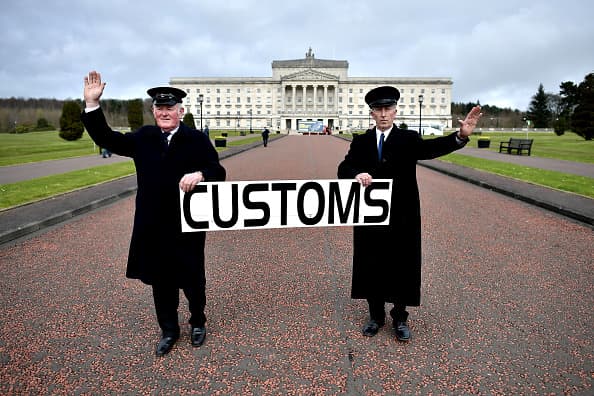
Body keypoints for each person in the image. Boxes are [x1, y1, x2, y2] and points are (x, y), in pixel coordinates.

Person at [81, 71, 226, 357]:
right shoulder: (144, 137)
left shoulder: (196, 139)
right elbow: (107, 138)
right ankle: (169, 330)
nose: (164, 112)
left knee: (193, 278)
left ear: (180, 111)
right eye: (159, 108)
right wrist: (92, 105)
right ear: (153, 111)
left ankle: (198, 322)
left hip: (188, 223)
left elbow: (217, 171)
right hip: (153, 223)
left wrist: (200, 174)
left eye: (169, 108)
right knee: (161, 281)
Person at [337, 86, 481, 342]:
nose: (383, 114)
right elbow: (344, 167)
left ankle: (400, 318)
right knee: (372, 263)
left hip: (402, 214)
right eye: (378, 110)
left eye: (388, 109)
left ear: (395, 111)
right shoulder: (361, 141)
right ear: (372, 113)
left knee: (402, 264)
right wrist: (355, 173)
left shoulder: (408, 138)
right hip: (370, 215)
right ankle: (376, 316)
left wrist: (460, 136)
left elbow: (432, 149)